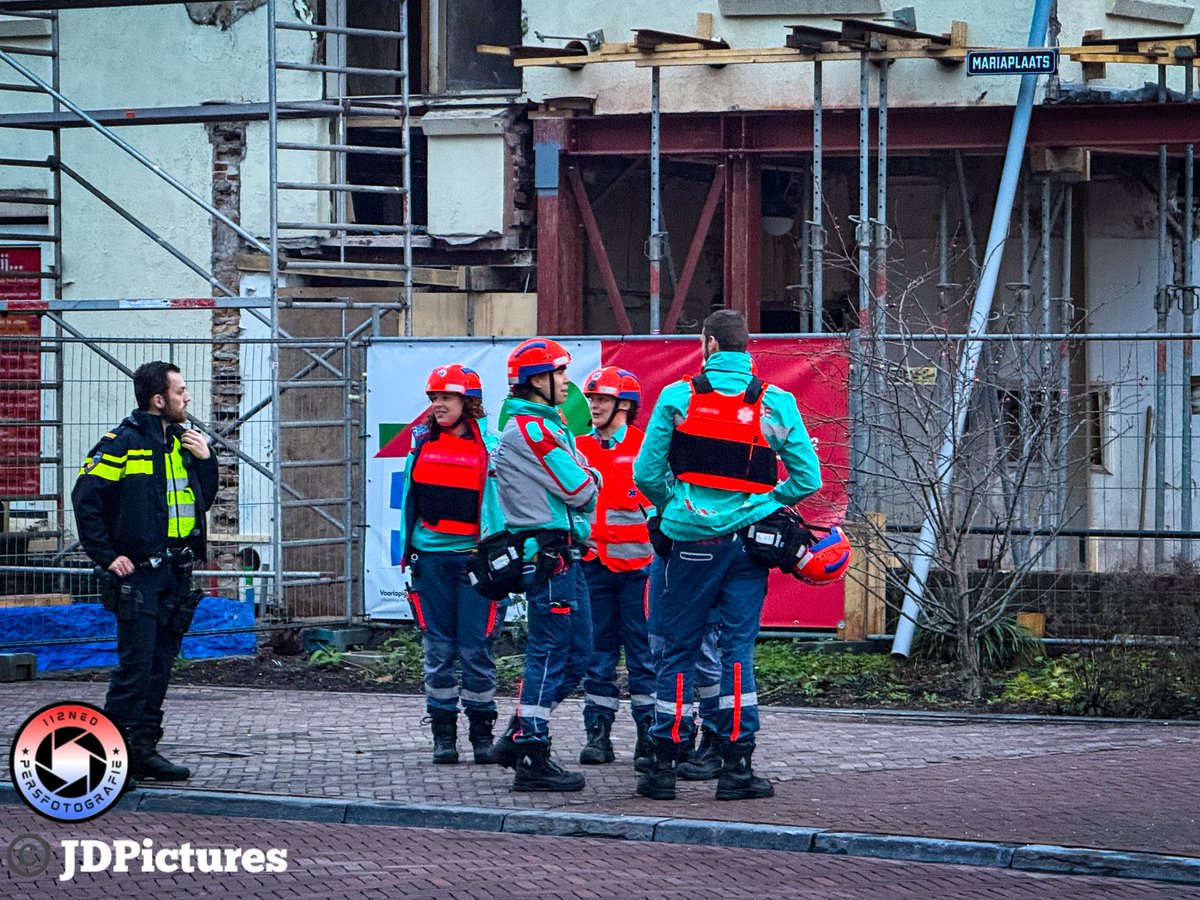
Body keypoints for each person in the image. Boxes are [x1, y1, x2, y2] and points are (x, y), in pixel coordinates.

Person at [633, 310, 823, 801]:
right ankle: (737, 768)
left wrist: (673, 507)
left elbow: (646, 475)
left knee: (677, 650)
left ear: (709, 343)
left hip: (688, 543)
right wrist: (765, 503)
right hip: (748, 549)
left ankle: (661, 765)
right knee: (737, 652)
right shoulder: (776, 403)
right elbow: (808, 479)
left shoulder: (678, 398)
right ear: (746, 348)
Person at [72, 361, 218, 781]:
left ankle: (143, 750)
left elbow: (199, 503)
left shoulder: (183, 443)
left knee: (160, 665)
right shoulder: (123, 443)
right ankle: (109, 759)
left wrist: (206, 461)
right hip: (139, 575)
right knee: (135, 670)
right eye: (181, 391)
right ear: (159, 400)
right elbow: (86, 498)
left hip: (175, 572)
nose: (187, 397)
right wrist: (105, 555)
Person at [490, 338, 599, 792]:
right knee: (551, 655)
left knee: (579, 657)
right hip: (549, 558)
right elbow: (581, 490)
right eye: (560, 374)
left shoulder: (548, 428)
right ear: (538, 380)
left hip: (565, 555)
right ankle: (532, 754)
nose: (567, 382)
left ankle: (518, 735)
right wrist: (592, 474)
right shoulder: (531, 431)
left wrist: (586, 475)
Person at [400, 364, 505, 765]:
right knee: (439, 651)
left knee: (477, 651)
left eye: (446, 397)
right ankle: (443, 738)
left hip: (477, 564)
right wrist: (409, 554)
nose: (438, 405)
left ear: (468, 403)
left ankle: (482, 736)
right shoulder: (421, 444)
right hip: (432, 561)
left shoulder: (491, 446)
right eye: (433, 398)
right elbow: (411, 502)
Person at [573, 367, 656, 768]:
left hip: (639, 570)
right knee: (597, 653)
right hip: (594, 566)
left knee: (644, 654)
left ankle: (648, 735)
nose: (593, 406)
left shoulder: (647, 448)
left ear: (624, 405)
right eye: (591, 399)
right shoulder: (577, 448)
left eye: (601, 399)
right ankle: (598, 733)